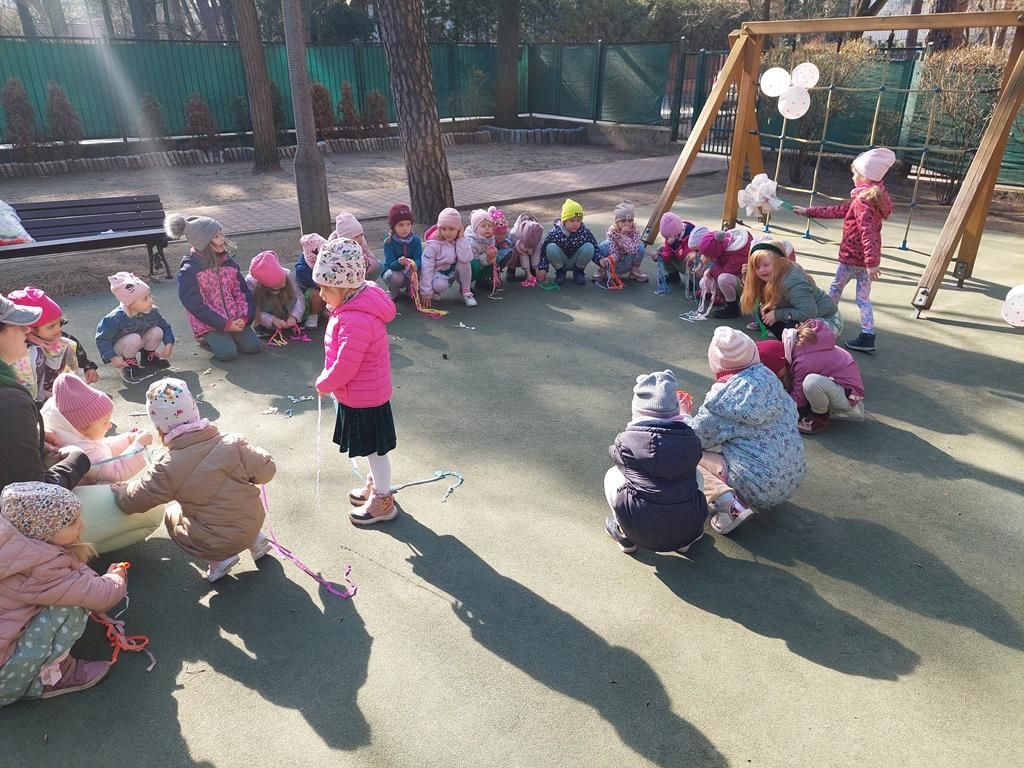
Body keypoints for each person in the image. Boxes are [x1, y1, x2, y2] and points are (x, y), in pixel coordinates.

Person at [112, 377, 276, 583]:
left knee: (172, 513)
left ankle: (220, 559)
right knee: (235, 505)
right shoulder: (232, 442)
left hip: (216, 541)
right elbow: (267, 472)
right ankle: (255, 539)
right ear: (195, 411)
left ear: (160, 427)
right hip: (253, 520)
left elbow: (135, 500)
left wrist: (121, 492)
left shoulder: (166, 466)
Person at [0, 481, 127, 706]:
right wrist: (116, 577)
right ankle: (52, 677)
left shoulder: (14, 547)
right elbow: (102, 596)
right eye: (71, 522)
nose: (83, 525)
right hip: (5, 679)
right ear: (42, 532)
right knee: (71, 606)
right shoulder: (41, 568)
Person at [683, 327, 806, 535]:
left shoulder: (724, 401)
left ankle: (729, 505)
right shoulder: (770, 379)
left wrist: (683, 413)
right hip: (792, 474)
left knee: (684, 453)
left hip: (758, 485)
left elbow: (692, 439)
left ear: (716, 364)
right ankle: (749, 490)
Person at [313, 238, 400, 526]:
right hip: (361, 393)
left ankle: (383, 500)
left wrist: (325, 383)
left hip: (366, 397)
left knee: (375, 451)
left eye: (327, 288)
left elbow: (346, 364)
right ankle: (377, 486)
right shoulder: (352, 307)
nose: (321, 294)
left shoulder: (356, 319)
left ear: (346, 288)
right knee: (371, 449)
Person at [793, 147, 895, 353]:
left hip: (851, 259)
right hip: (863, 262)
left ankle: (821, 326)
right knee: (863, 299)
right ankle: (868, 335)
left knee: (834, 290)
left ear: (865, 177)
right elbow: (838, 210)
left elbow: (868, 232)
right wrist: (808, 212)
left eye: (855, 174)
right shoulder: (870, 198)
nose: (853, 177)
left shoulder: (862, 202)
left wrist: (872, 263)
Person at [603, 370, 708, 555]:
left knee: (613, 474)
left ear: (637, 412)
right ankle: (684, 542)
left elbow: (613, 453)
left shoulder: (626, 441)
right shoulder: (692, 440)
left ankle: (623, 533)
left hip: (637, 528)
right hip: (686, 529)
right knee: (697, 474)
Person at [0, 295, 91, 494]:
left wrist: (31, 437)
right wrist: (77, 459)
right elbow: (33, 495)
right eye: (17, 326)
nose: (26, 330)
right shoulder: (10, 400)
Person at [167, 213, 260, 362]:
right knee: (228, 353)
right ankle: (205, 337)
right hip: (209, 322)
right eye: (216, 236)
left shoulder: (229, 264)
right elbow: (195, 305)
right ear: (203, 243)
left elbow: (242, 292)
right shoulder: (190, 271)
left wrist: (244, 317)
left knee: (253, 346)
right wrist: (223, 324)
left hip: (234, 317)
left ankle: (229, 334)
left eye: (221, 234)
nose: (222, 239)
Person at [41, 373, 151, 485]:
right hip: (83, 493)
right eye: (105, 422)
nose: (110, 425)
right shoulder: (78, 452)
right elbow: (116, 470)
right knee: (117, 488)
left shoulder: (74, 434)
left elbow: (103, 447)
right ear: (83, 428)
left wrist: (128, 439)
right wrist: (138, 446)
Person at [767, 319, 866, 435]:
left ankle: (820, 416)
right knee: (810, 382)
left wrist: (778, 410)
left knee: (812, 382)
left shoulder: (803, 361)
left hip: (848, 397)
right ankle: (817, 407)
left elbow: (798, 397)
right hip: (845, 389)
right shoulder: (812, 346)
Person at [739, 239, 841, 340]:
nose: (761, 270)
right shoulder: (773, 275)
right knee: (765, 311)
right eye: (757, 267)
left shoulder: (794, 283)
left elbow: (808, 313)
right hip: (805, 315)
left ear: (781, 263)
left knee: (794, 329)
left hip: (827, 319)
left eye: (766, 265)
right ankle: (787, 342)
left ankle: (795, 346)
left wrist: (777, 315)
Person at [94, 272, 175, 385]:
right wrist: (113, 357)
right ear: (130, 304)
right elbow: (102, 339)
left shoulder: (152, 311)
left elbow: (164, 326)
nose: (150, 300)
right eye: (145, 299)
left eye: (150, 295)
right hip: (121, 347)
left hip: (138, 341)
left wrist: (169, 343)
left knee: (157, 331)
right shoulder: (115, 318)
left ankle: (148, 356)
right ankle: (129, 363)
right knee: (134, 338)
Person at [6, 287, 82, 403]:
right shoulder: (18, 353)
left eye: (59, 323)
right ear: (28, 329)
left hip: (55, 394)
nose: (57, 330)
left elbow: (74, 352)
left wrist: (88, 366)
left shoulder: (59, 340)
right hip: (29, 401)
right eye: (51, 326)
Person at [420, 208, 477, 308]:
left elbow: (466, 258)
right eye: (444, 229)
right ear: (439, 229)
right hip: (438, 274)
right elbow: (426, 268)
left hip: (453, 271)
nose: (447, 233)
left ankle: (466, 292)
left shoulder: (460, 239)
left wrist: (461, 238)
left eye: (451, 229)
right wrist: (426, 293)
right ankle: (434, 291)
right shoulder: (433, 245)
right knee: (439, 285)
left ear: (458, 229)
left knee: (464, 264)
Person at [245, 251, 305, 338]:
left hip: (286, 307)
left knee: (288, 294)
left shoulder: (287, 273)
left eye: (284, 280)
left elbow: (299, 297)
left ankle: (288, 319)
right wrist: (272, 320)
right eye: (278, 284)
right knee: (264, 301)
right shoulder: (251, 283)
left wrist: (294, 316)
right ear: (266, 285)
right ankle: (261, 325)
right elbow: (252, 307)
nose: (284, 284)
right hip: (266, 308)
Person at [542, 198, 599, 286]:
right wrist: (543, 268)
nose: (575, 224)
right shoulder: (555, 232)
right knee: (550, 247)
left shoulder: (584, 231)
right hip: (561, 260)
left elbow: (595, 247)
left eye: (578, 220)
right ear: (564, 221)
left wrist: (600, 260)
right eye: (572, 221)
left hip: (577, 261)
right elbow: (543, 252)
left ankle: (578, 272)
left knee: (589, 246)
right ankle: (560, 272)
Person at [696, 227, 750, 319]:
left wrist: (711, 265)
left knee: (723, 279)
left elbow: (723, 274)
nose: (703, 256)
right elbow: (720, 265)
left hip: (743, 284)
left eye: (707, 255)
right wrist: (710, 270)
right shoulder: (721, 245)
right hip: (730, 278)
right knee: (703, 283)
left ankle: (732, 306)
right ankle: (723, 297)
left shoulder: (738, 253)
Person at [596, 201, 647, 284]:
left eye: (630, 221)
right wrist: (610, 260)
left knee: (640, 248)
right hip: (615, 263)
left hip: (628, 260)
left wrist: (623, 236)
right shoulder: (612, 233)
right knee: (603, 246)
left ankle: (634, 271)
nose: (627, 224)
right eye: (623, 221)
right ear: (617, 222)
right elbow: (613, 250)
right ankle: (603, 270)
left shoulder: (635, 232)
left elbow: (632, 251)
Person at [381, 203, 423, 299]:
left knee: (422, 270)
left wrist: (415, 265)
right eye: (401, 225)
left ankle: (410, 288)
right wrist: (399, 263)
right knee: (397, 276)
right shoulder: (389, 241)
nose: (405, 228)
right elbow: (390, 264)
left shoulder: (416, 240)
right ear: (393, 227)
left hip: (410, 271)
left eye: (408, 224)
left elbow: (418, 258)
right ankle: (393, 290)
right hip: (393, 272)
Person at [330, 212, 381, 281]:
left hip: (360, 273)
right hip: (342, 278)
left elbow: (372, 259)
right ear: (346, 239)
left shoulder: (361, 243)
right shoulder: (335, 248)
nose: (360, 239)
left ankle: (366, 283)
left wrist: (368, 262)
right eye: (356, 237)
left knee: (380, 265)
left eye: (361, 235)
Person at [295, 232, 328, 329]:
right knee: (317, 293)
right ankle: (313, 315)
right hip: (307, 300)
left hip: (324, 293)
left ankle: (325, 310)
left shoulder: (326, 259)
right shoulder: (302, 269)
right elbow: (317, 284)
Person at [465, 209, 500, 292]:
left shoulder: (490, 238)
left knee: (496, 258)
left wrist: (494, 252)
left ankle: (482, 280)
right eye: (483, 226)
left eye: (489, 226)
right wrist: (487, 256)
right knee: (474, 264)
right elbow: (472, 258)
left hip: (483, 260)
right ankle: (465, 285)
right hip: (470, 262)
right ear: (475, 229)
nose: (487, 228)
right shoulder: (470, 241)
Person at [657, 212, 695, 284]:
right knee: (661, 249)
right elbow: (667, 252)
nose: (667, 240)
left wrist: (675, 245)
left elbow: (684, 257)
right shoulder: (671, 235)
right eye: (666, 238)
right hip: (681, 262)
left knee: (691, 259)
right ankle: (673, 275)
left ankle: (692, 281)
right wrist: (660, 256)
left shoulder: (691, 236)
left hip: (691, 266)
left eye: (668, 238)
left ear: (675, 235)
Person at [510, 213, 546, 287]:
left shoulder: (538, 232)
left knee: (538, 251)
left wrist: (537, 269)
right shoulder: (514, 233)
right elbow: (518, 249)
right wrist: (527, 272)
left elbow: (538, 252)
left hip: (534, 249)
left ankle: (533, 269)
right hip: (518, 252)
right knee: (515, 251)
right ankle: (511, 269)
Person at [488, 207, 516, 282]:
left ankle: (497, 271)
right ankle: (486, 277)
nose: (501, 236)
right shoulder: (489, 238)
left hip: (498, 255)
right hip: (489, 257)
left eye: (503, 233)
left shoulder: (505, 232)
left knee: (510, 252)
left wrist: (506, 242)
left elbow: (510, 241)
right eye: (498, 234)